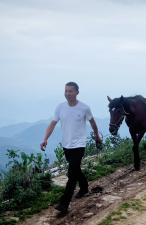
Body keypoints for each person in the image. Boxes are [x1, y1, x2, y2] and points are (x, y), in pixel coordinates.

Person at [40, 82, 102, 214]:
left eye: (70, 91)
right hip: (66, 144)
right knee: (75, 169)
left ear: (77, 92)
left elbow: (92, 122)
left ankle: (64, 203)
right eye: (66, 91)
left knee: (71, 174)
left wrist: (97, 136)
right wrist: (45, 138)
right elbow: (52, 124)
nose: (67, 94)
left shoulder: (84, 108)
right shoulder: (60, 107)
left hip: (79, 144)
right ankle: (84, 187)